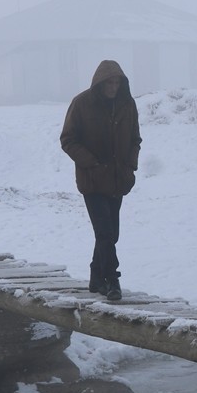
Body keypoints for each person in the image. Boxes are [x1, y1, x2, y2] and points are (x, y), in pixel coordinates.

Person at [60, 60, 141, 301]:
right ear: (100, 83)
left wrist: (130, 166)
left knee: (110, 234)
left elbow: (135, 139)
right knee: (104, 232)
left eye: (117, 82)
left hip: (118, 180)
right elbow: (68, 139)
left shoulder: (127, 104)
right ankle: (112, 280)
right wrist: (91, 163)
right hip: (93, 180)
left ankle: (96, 276)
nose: (113, 87)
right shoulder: (82, 104)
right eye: (109, 83)